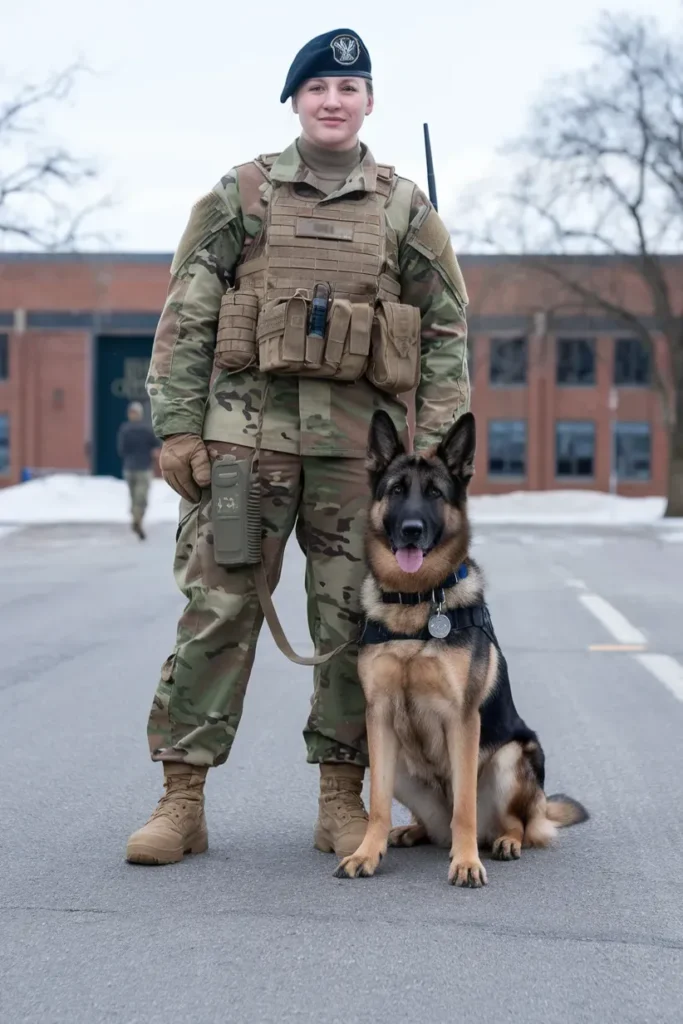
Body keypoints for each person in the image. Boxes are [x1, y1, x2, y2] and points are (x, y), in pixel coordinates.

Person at [125, 27, 470, 866]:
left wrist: (425, 460)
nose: (331, 100)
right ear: (294, 100)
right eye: (316, 87)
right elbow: (187, 315)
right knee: (217, 613)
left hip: (361, 463)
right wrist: (176, 426)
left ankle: (340, 802)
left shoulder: (404, 207)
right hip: (242, 449)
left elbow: (445, 332)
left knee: (359, 625)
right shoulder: (239, 194)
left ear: (368, 103)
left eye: (347, 89)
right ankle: (182, 801)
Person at [116, 401, 160, 540]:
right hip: (144, 468)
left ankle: (136, 518)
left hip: (129, 468)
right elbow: (156, 445)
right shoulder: (146, 429)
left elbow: (121, 450)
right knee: (142, 498)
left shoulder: (124, 429)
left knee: (134, 497)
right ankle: (138, 519)